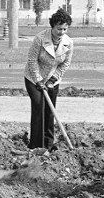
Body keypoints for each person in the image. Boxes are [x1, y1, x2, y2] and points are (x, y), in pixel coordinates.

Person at [24, 8, 73, 151]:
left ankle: (48, 145)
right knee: (39, 107)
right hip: (34, 78)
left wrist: (52, 79)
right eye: (59, 29)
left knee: (50, 112)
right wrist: (39, 80)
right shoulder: (40, 39)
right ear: (52, 27)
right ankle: (35, 145)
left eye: (64, 29)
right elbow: (32, 61)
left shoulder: (68, 43)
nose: (61, 32)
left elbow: (65, 63)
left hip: (52, 80)